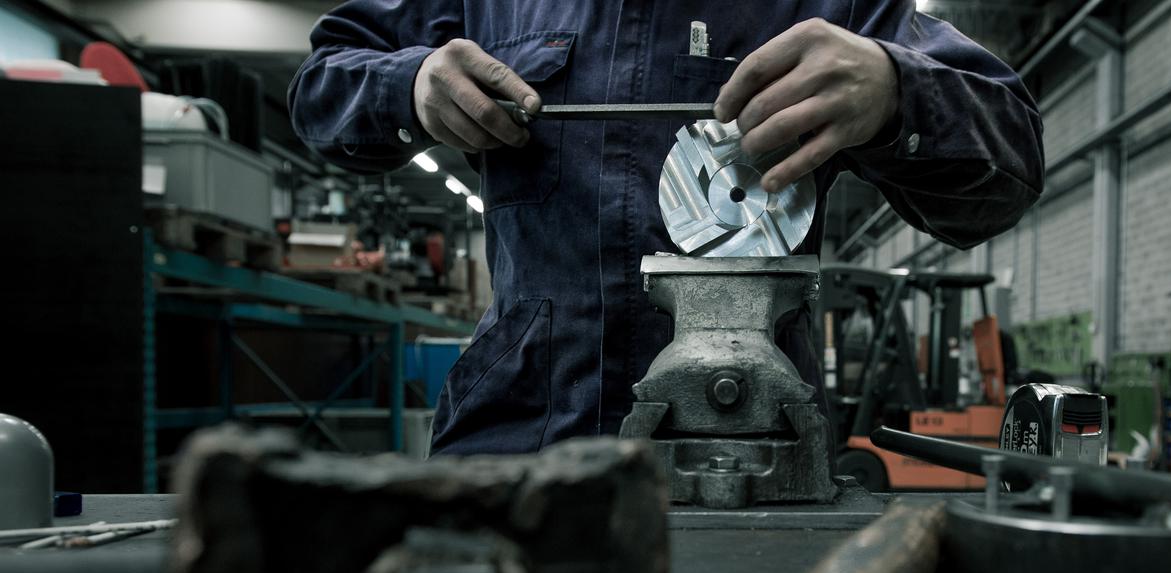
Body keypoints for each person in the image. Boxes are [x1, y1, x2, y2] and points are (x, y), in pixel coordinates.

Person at [289, 1, 1044, 457]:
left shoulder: (829, 1)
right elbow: (322, 85)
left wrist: (896, 90)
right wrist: (412, 84)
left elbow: (1011, 159)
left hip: (751, 445)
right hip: (518, 439)